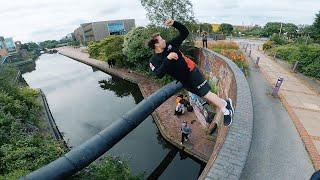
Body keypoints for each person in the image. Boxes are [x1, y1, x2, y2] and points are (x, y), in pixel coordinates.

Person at [147, 19, 234, 126]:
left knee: (205, 92)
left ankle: (226, 110)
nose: (164, 40)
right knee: (203, 94)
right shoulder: (154, 61)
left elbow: (185, 32)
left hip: (191, 71)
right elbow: (159, 74)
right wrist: (168, 59)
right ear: (156, 45)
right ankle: (225, 103)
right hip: (184, 80)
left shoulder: (171, 45)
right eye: (161, 40)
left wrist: (174, 23)